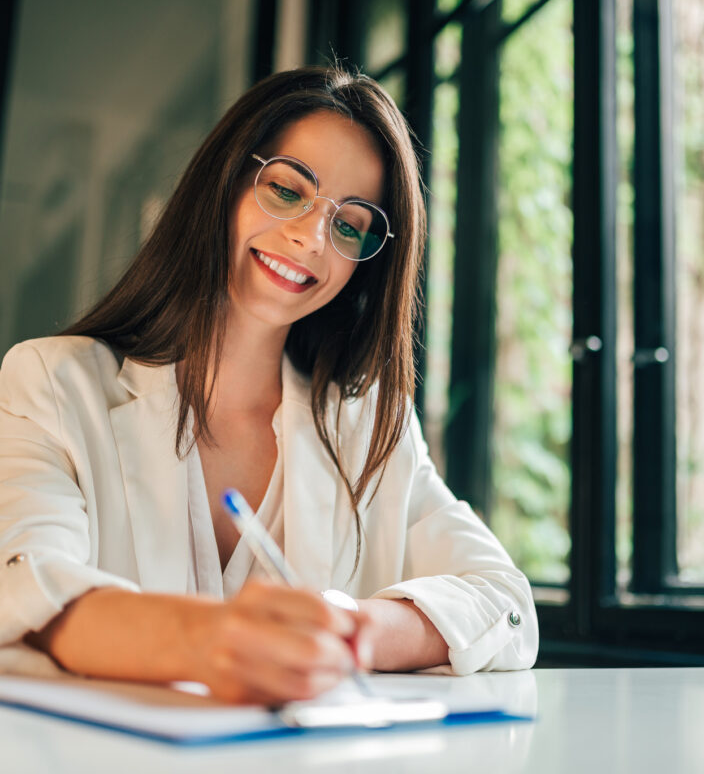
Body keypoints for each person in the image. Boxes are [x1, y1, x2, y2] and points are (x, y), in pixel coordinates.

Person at [0, 66, 538, 705]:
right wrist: (213, 641)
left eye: (350, 225)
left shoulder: (367, 424)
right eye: (287, 190)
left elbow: (507, 607)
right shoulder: (52, 382)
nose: (311, 237)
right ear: (224, 184)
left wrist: (350, 629)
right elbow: (24, 593)